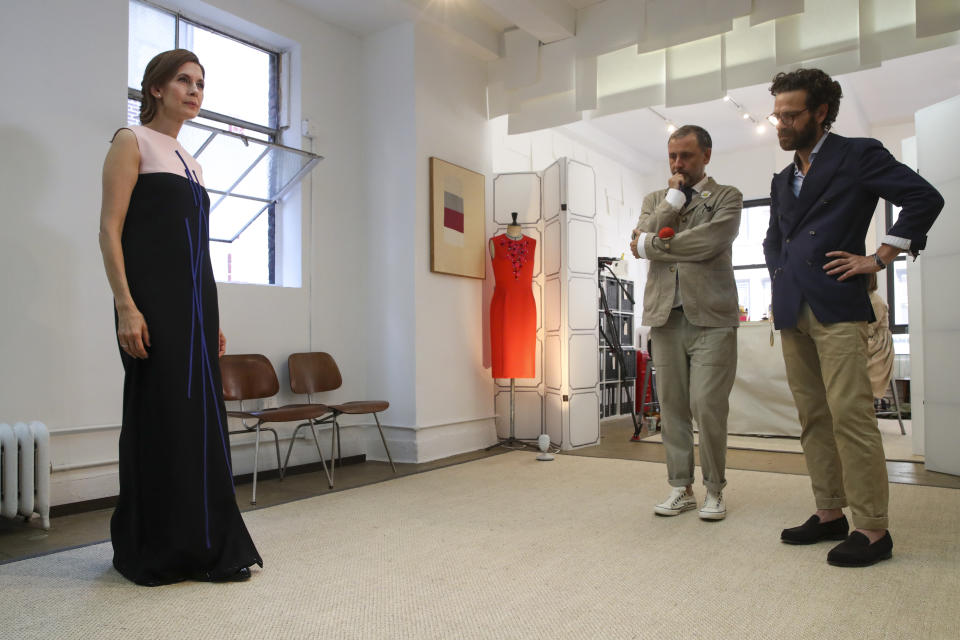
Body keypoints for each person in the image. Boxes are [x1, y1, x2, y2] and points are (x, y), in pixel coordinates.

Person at [765, 68, 943, 567]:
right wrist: (778, 277)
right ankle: (829, 513)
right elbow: (774, 237)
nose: (781, 123)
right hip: (791, 307)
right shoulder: (782, 179)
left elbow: (925, 198)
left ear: (821, 112)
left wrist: (879, 258)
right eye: (777, 114)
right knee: (812, 417)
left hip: (837, 303)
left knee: (851, 416)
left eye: (792, 114)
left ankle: (872, 527)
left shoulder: (858, 154)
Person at [99, 49, 262, 585]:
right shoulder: (132, 142)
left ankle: (208, 545)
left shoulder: (192, 160)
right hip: (152, 305)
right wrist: (126, 305)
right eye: (183, 81)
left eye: (200, 83)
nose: (194, 91)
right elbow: (110, 230)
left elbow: (198, 250)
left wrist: (210, 314)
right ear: (155, 89)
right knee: (163, 417)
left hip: (196, 307)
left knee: (202, 424)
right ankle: (156, 548)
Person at [630, 125, 742, 521]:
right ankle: (681, 487)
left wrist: (651, 246)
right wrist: (673, 200)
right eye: (673, 156)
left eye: (687, 156)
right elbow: (642, 235)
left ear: (706, 155)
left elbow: (711, 241)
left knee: (708, 405)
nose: (678, 163)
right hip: (665, 318)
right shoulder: (657, 199)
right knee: (673, 407)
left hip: (712, 317)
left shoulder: (727, 196)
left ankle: (715, 489)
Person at [865, 274, 894, 403]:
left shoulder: (875, 301)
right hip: (870, 339)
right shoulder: (866, 298)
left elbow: (869, 329)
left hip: (878, 345)